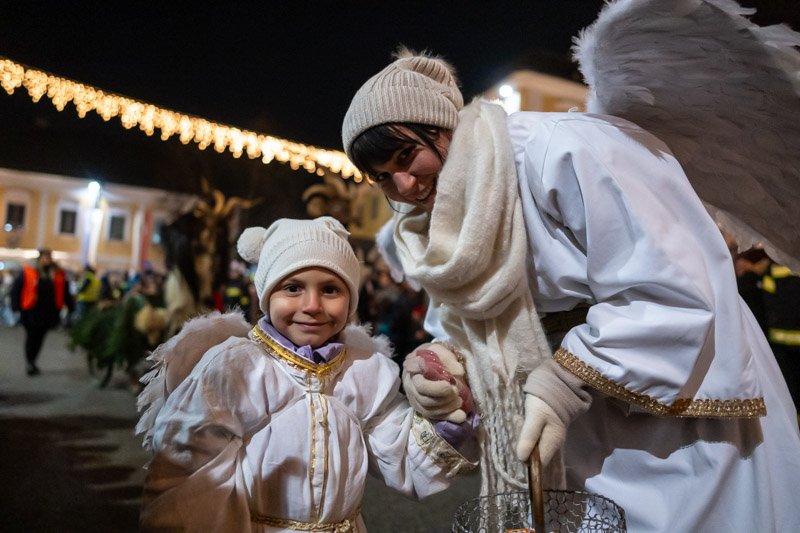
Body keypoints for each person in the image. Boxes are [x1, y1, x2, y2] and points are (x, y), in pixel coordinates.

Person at [341, 49, 800, 531]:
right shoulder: (433, 221)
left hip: (672, 407)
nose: (404, 186)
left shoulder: (560, 150)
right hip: (571, 430)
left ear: (442, 128)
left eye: (406, 155)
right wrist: (444, 365)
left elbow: (672, 285)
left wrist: (565, 381)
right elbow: (459, 322)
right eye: (382, 176)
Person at [135, 216, 478, 531]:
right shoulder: (234, 370)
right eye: (292, 288)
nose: (312, 305)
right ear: (267, 295)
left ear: (350, 300)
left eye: (330, 290)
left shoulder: (364, 370)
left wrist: (444, 425)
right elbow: (190, 476)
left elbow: (397, 450)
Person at [10, 248, 74, 375]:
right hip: (31, 310)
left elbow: (64, 291)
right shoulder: (28, 271)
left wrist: (71, 307)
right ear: (39, 258)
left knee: (40, 338)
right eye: (45, 257)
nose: (47, 259)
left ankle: (33, 361)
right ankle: (29, 362)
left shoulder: (58, 273)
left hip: (48, 312)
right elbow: (16, 290)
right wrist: (15, 308)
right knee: (31, 337)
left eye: (49, 257)